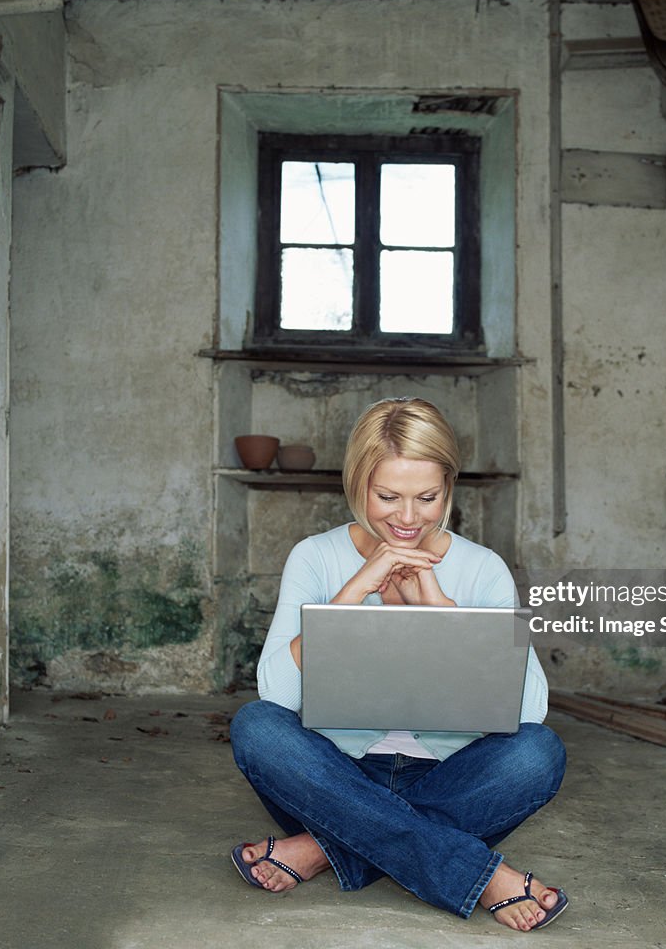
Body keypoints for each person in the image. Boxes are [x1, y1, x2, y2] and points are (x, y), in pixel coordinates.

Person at [229, 397, 568, 931]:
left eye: (427, 498)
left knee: (537, 755)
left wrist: (440, 607)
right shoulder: (315, 556)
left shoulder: (482, 568)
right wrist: (355, 589)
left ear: (448, 489)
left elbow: (530, 709)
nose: (408, 519)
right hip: (336, 770)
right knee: (256, 728)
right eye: (388, 496)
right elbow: (275, 693)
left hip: (452, 776)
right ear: (357, 483)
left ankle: (324, 847)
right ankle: (476, 872)